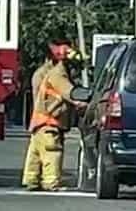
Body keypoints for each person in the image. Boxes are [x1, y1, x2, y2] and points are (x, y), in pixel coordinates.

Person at [21, 39, 87, 191]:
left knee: (36, 152)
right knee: (52, 151)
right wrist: (83, 99)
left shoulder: (43, 73)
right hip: (50, 122)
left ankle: (32, 180)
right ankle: (51, 182)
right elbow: (69, 92)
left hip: (39, 122)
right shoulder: (58, 74)